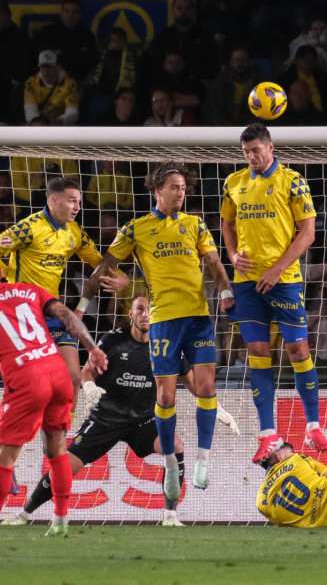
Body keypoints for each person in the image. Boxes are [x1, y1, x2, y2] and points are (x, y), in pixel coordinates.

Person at [3, 292, 240, 528]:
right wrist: (89, 387)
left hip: (144, 421)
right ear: (130, 314)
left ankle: (170, 517)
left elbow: (193, 384)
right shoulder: (114, 340)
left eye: (149, 310)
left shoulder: (167, 347)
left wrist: (215, 408)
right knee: (64, 465)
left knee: (176, 446)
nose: (145, 315)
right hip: (107, 417)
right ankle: (24, 513)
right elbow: (86, 372)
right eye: (139, 309)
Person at [82, 162, 234, 497]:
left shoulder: (195, 224)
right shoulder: (137, 228)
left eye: (183, 188)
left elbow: (213, 261)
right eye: (174, 187)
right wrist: (90, 297)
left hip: (197, 318)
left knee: (206, 388)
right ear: (157, 190)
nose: (181, 193)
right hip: (163, 320)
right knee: (165, 396)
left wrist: (224, 290)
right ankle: (169, 462)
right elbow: (107, 264)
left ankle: (203, 460)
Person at [220, 123, 327, 463]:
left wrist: (277, 268)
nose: (251, 157)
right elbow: (226, 222)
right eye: (246, 152)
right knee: (256, 351)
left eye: (256, 150)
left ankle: (313, 425)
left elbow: (308, 232)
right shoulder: (234, 182)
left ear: (270, 147)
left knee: (297, 348)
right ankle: (268, 434)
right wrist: (232, 255)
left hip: (282, 279)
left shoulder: (292, 181)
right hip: (247, 284)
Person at [0, 280, 107, 537]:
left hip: (27, 377)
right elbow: (68, 317)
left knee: (6, 456)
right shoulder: (30, 289)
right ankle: (60, 519)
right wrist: (92, 348)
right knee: (57, 448)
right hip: (58, 373)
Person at [0, 177, 114, 418]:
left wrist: (119, 276)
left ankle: (58, 438)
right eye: (72, 201)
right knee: (31, 383)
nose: (77, 207)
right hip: (23, 313)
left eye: (79, 202)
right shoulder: (28, 227)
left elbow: (98, 263)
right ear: (53, 200)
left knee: (73, 379)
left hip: (52, 310)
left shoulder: (75, 232)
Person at [33, 0, 97, 84]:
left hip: (79, 84)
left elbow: (91, 64)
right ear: (61, 14)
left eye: (74, 12)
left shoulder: (87, 36)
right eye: (67, 11)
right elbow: (39, 60)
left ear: (80, 16)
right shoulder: (48, 33)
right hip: (52, 84)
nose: (70, 15)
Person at [23, 50, 79, 126]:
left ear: (57, 66)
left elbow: (72, 111)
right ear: (39, 67)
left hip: (61, 125)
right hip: (39, 124)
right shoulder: (31, 83)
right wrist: (37, 122)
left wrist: (61, 121)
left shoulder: (69, 84)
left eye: (50, 67)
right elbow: (30, 109)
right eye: (43, 66)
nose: (46, 71)